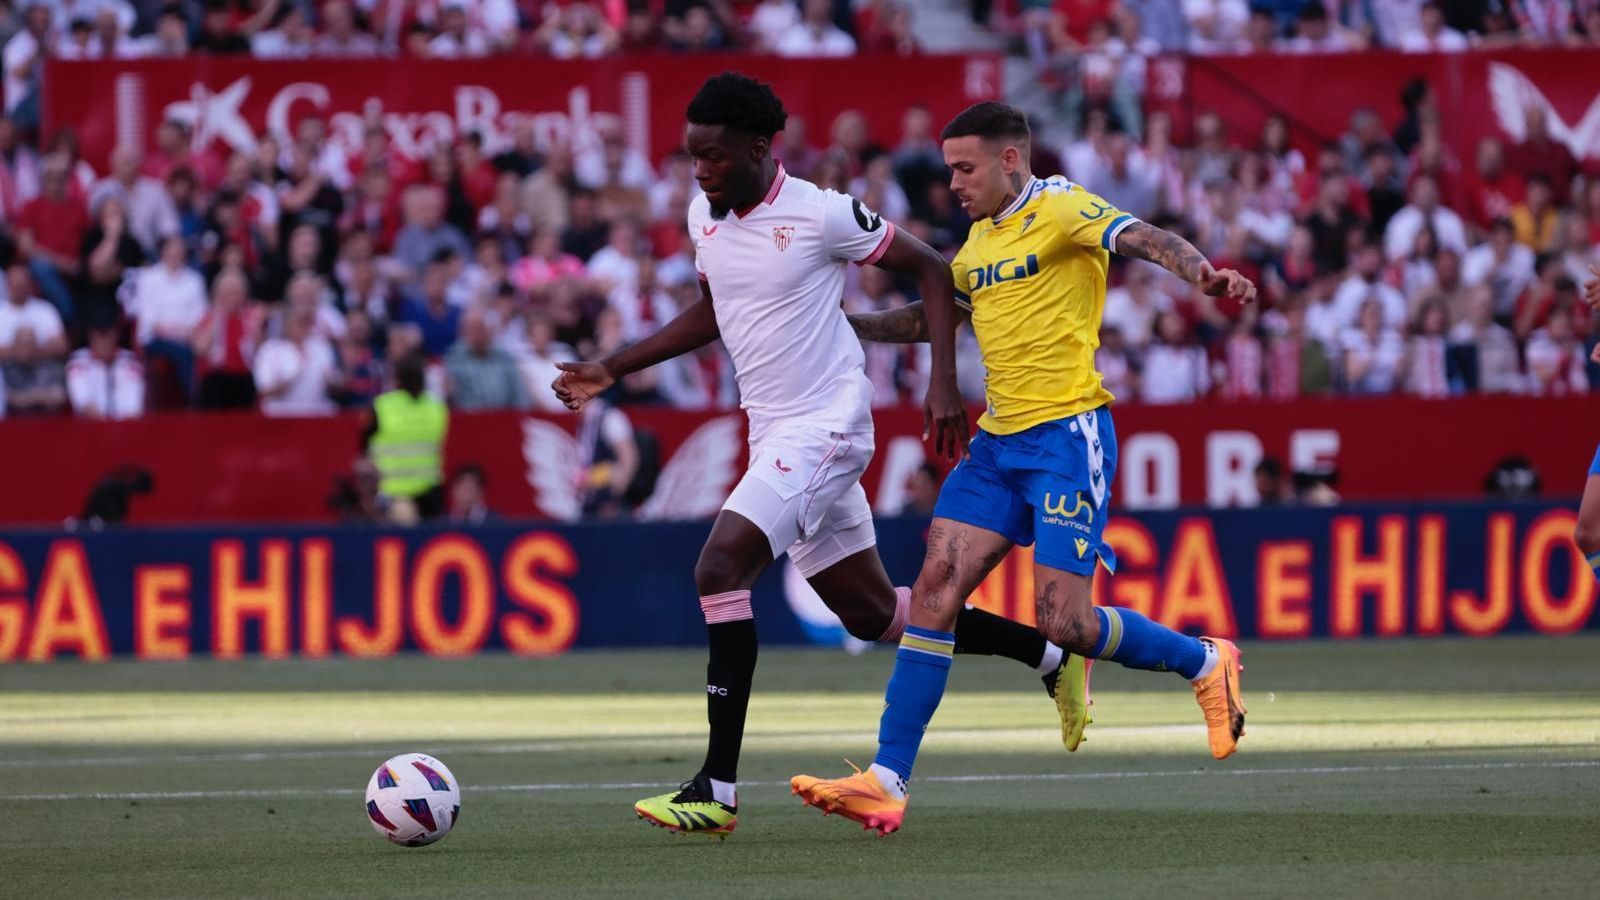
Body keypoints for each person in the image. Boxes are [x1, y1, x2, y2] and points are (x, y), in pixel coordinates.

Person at [551, 73, 1078, 839]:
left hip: (827, 425)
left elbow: (934, 269)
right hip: (778, 432)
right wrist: (615, 366)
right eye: (692, 156)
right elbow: (714, 307)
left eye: (713, 156)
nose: (699, 171)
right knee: (873, 614)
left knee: (718, 569)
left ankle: (716, 788)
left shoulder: (823, 214)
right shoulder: (708, 217)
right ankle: (1049, 658)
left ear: (760, 149)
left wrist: (941, 387)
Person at [793, 101, 1256, 835]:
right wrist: (841, 325)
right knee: (936, 590)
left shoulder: (1064, 205)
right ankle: (887, 779)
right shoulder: (976, 247)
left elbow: (1143, 237)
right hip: (997, 443)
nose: (953, 182)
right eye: (948, 168)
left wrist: (1202, 274)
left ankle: (1204, 660)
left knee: (1065, 622)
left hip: (1068, 436)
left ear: (1011, 160)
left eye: (965, 167)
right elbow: (930, 319)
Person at [363, 353, 448, 521]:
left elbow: (364, 447)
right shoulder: (437, 407)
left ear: (397, 378)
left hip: (397, 490)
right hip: (418, 492)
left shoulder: (381, 406)